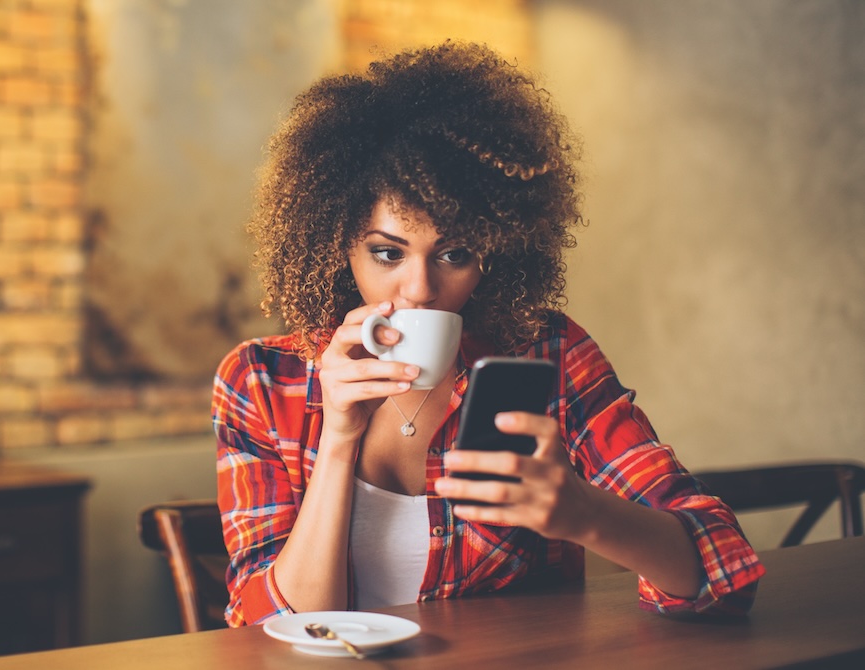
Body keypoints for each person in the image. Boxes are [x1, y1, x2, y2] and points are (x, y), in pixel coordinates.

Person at [211, 41, 764, 627]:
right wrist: (339, 440)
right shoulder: (263, 382)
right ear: (335, 243)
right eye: (386, 253)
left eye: (453, 252)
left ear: (495, 253)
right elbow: (269, 631)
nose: (420, 288)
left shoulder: (544, 354)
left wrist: (582, 513)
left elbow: (724, 573)